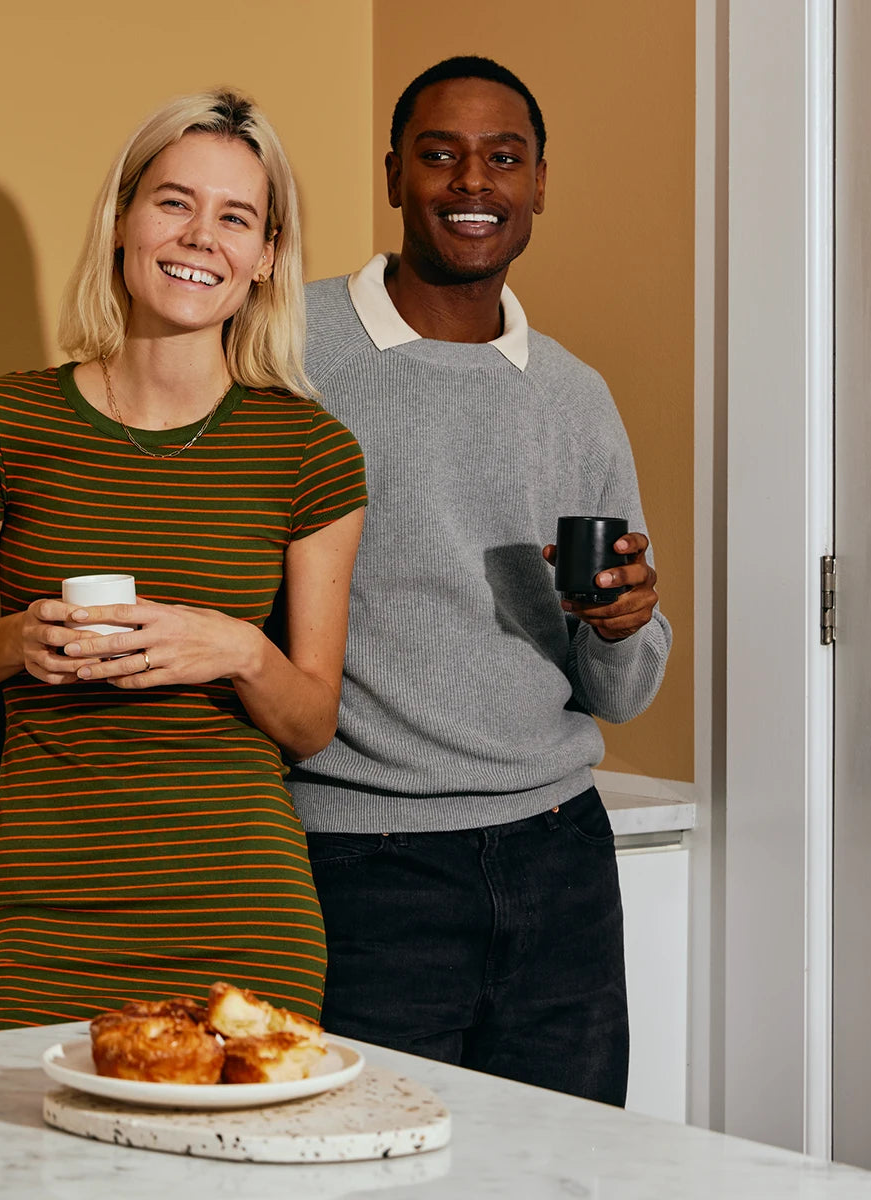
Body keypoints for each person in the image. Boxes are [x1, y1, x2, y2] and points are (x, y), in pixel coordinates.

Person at [0, 89, 366, 1033]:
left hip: (242, 911)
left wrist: (237, 647)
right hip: (45, 898)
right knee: (22, 1174)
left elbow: (312, 720)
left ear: (267, 256)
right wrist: (19, 638)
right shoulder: (7, 419)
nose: (201, 237)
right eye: (173, 202)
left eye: (236, 217)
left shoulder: (310, 449)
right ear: (123, 221)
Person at [287, 55, 671, 1107]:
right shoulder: (291, 347)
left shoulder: (573, 395)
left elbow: (621, 691)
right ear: (394, 174)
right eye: (441, 156)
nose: (473, 184)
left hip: (562, 861)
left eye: (503, 159)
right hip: (361, 862)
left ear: (539, 183)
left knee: (568, 1173)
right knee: (361, 1170)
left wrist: (624, 622)